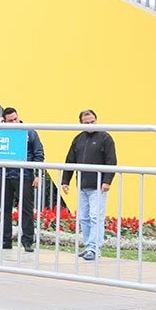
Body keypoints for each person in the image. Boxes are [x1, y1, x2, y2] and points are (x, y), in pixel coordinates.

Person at [61, 109, 117, 261]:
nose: (91, 125)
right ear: (81, 123)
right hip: (83, 185)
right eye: (87, 123)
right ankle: (88, 246)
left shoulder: (105, 137)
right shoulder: (78, 139)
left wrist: (107, 181)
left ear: (96, 120)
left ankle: (94, 248)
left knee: (95, 217)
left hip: (98, 185)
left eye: (93, 122)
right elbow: (70, 160)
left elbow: (111, 160)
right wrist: (65, 181)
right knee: (84, 217)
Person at [0, 106, 45, 252]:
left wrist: (38, 175)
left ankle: (27, 241)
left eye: (16, 118)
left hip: (25, 175)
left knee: (26, 210)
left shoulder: (29, 132)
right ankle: (5, 240)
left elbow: (39, 154)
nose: (14, 122)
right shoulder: (1, 132)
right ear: (4, 120)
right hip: (5, 174)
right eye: (10, 120)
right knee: (5, 209)